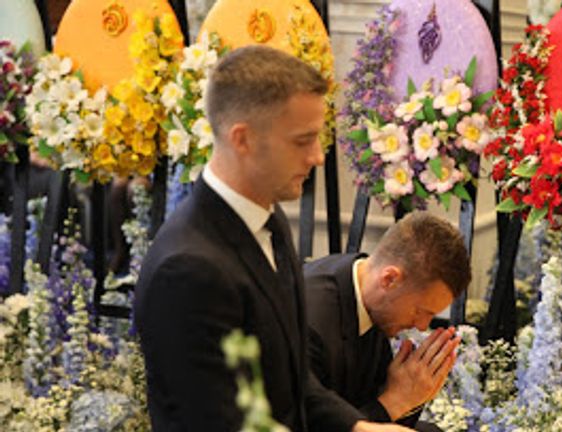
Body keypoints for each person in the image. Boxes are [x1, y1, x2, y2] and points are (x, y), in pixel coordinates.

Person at [134, 45, 414, 432]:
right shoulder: (188, 269)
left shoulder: (270, 218)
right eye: (303, 140)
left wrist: (360, 428)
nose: (318, 156)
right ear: (242, 139)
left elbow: (293, 381)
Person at [304, 212, 471, 431]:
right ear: (389, 279)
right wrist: (396, 401)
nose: (422, 326)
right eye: (421, 311)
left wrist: (412, 394)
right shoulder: (310, 321)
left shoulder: (374, 301)